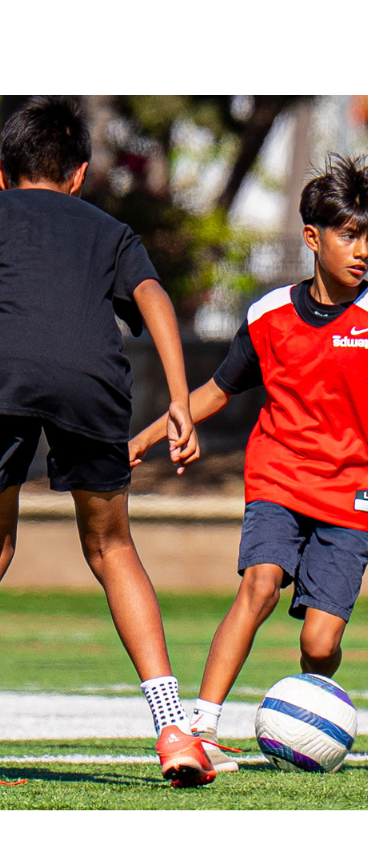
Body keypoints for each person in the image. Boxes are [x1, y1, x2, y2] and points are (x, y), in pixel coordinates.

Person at [129, 155, 368, 772]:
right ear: (313, 237)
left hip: (355, 496)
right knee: (259, 584)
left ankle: (309, 712)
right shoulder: (267, 316)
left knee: (320, 643)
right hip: (278, 476)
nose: (362, 249)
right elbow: (218, 389)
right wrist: (155, 431)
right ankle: (200, 730)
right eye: (348, 234)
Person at [0, 96, 214, 786]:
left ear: (2, 175)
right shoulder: (107, 229)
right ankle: (175, 729)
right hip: (90, 374)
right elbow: (151, 298)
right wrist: (180, 401)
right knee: (111, 546)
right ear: (79, 175)